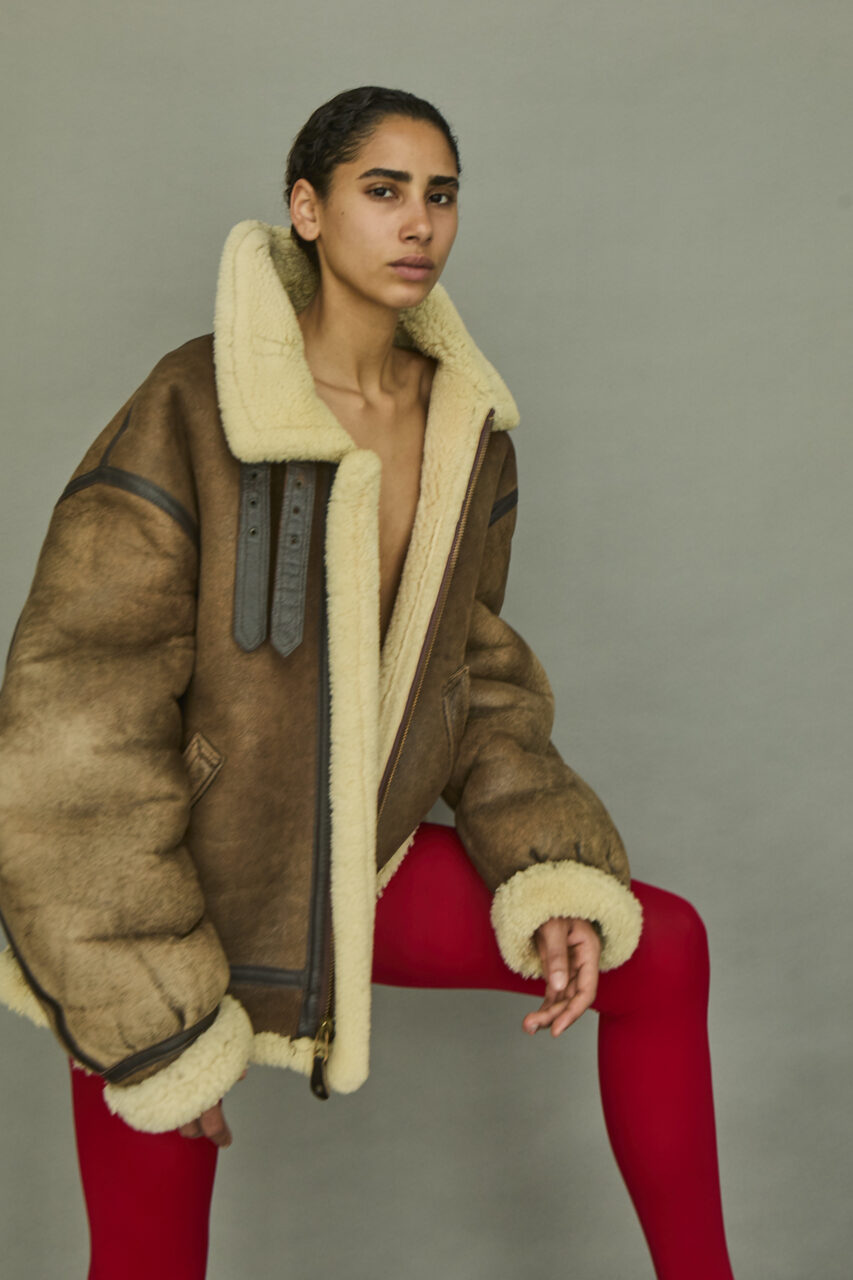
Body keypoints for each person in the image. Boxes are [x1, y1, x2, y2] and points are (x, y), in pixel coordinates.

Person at [0, 85, 737, 1279]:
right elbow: (77, 711)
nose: (418, 223)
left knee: (663, 948)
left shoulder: (466, 432)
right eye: (382, 190)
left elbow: (473, 675)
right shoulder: (195, 402)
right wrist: (144, 1004)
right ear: (307, 208)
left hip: (352, 864)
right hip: (170, 877)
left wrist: (545, 863)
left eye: (441, 195)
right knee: (144, 1257)